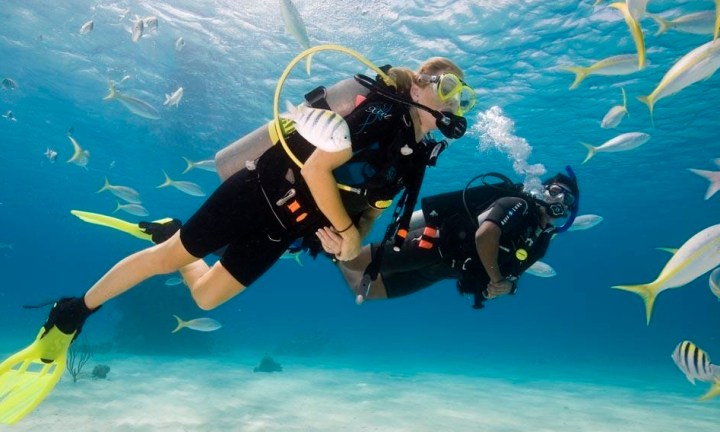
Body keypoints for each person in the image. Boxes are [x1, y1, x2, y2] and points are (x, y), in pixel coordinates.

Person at [0, 54, 477, 424]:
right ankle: (73, 312)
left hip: (285, 227)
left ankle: (172, 229)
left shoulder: (415, 155)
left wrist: (352, 243)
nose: (455, 103)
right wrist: (349, 232)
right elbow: (315, 167)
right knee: (167, 259)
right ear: (417, 84)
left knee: (206, 297)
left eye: (464, 97)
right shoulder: (381, 115)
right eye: (448, 88)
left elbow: (371, 208)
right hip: (258, 190)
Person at [316, 170, 580, 309]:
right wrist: (497, 279)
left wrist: (507, 288)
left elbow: (515, 273)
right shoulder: (517, 204)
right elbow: (486, 234)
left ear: (569, 211)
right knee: (354, 263)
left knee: (368, 293)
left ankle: (335, 250)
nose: (559, 200)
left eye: (566, 199)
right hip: (433, 246)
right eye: (555, 191)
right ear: (542, 190)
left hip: (444, 271)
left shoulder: (542, 239)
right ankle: (329, 237)